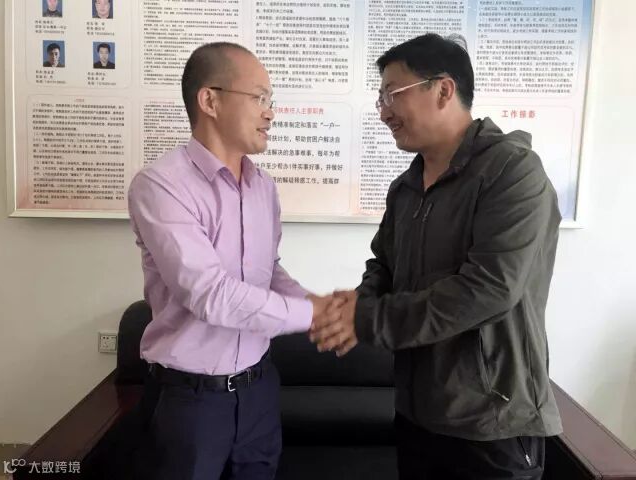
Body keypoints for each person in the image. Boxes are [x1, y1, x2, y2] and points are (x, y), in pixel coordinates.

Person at [310, 33, 563, 480]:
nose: (384, 111)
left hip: (491, 422)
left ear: (443, 89)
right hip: (417, 413)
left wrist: (364, 319)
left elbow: (490, 289)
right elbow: (384, 266)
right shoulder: (406, 187)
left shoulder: (512, 172)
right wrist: (357, 303)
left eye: (393, 94)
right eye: (380, 98)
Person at [128, 42, 337, 480]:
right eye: (259, 97)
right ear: (210, 100)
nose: (270, 113)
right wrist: (312, 314)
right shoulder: (161, 186)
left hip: (258, 390)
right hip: (191, 402)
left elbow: (267, 271)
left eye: (270, 100)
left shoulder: (263, 188)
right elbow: (210, 294)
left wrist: (318, 305)